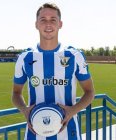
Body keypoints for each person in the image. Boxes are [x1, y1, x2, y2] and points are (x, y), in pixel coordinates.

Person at [12, 3, 95, 140]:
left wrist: (72, 111)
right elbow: (16, 93)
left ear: (60, 24)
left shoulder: (74, 55)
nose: (48, 24)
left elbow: (90, 92)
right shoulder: (25, 58)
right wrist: (25, 110)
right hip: (35, 133)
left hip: (69, 133)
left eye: (53, 20)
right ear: (36, 24)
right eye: (43, 20)